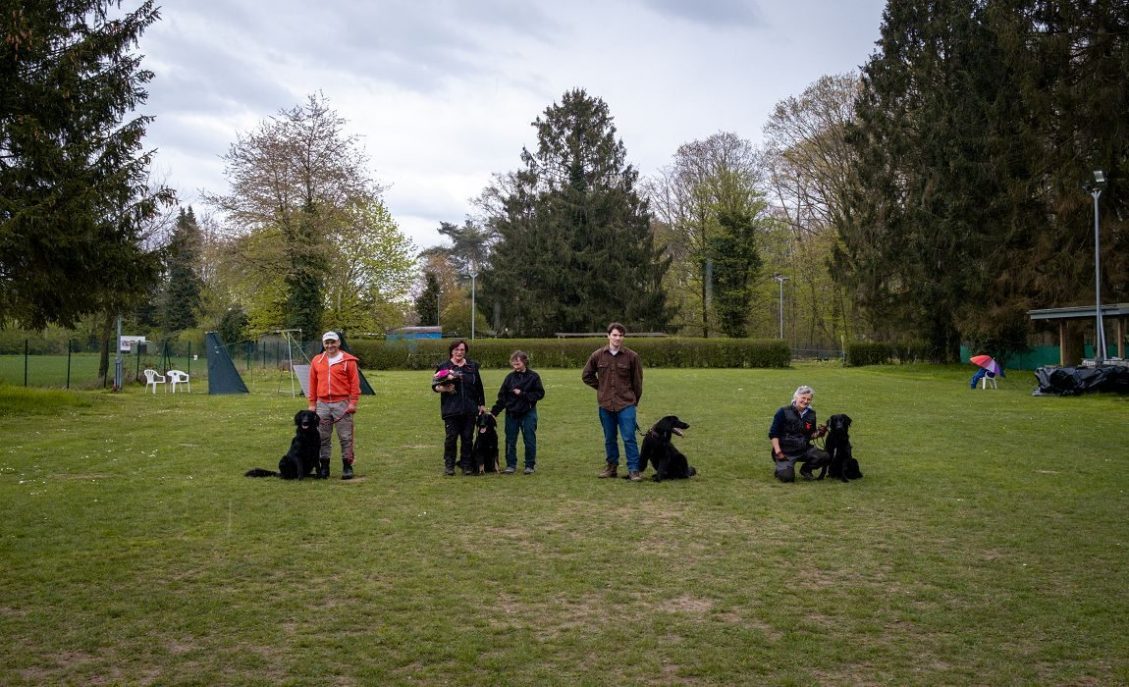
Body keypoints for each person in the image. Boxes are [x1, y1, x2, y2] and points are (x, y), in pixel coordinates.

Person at [582, 322, 645, 481]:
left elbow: (637, 382)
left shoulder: (632, 357)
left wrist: (633, 401)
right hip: (605, 405)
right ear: (608, 336)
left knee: (629, 437)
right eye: (615, 335)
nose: (618, 338)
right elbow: (586, 375)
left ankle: (634, 470)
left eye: (621, 335)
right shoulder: (597, 355)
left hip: (626, 404)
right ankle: (611, 467)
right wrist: (601, 388)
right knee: (610, 438)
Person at [307, 331, 360, 480]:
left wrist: (353, 402)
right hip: (322, 404)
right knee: (323, 437)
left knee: (345, 437)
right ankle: (324, 467)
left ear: (338, 343)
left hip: (342, 403)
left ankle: (347, 466)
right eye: (327, 343)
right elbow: (312, 383)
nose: (330, 345)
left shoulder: (349, 361)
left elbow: (355, 384)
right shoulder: (317, 360)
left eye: (333, 342)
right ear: (323, 344)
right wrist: (312, 404)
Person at [432, 339, 486, 476]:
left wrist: (481, 404)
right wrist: (444, 388)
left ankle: (466, 465)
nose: (459, 352)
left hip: (470, 409)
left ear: (465, 351)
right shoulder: (444, 366)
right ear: (452, 351)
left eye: (462, 350)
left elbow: (479, 387)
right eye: (456, 349)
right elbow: (435, 386)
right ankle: (449, 465)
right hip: (451, 409)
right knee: (451, 438)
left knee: (467, 438)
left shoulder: (472, 367)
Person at [490, 350, 545, 475]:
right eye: (513, 364)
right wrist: (494, 412)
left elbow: (540, 394)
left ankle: (530, 465)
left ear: (524, 362)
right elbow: (502, 397)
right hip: (511, 414)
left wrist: (523, 394)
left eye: (518, 363)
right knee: (510, 440)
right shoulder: (509, 378)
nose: (515, 366)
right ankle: (511, 465)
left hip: (528, 413)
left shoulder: (534, 377)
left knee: (529, 439)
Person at [768, 385, 830, 483]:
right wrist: (778, 451)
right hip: (785, 451)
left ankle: (806, 470)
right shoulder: (783, 411)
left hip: (803, 449)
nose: (806, 401)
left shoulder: (811, 414)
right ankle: (781, 469)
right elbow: (773, 433)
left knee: (825, 456)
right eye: (803, 398)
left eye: (808, 399)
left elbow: (809, 435)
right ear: (796, 397)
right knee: (787, 478)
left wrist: (820, 433)